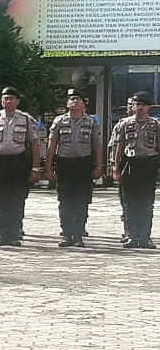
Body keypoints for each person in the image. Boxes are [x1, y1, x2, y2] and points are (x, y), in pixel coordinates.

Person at [0, 87, 41, 246]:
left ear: (17, 101)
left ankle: (14, 232)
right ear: (1, 101)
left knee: (17, 198)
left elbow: (35, 144)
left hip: (18, 163)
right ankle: (2, 233)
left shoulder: (26, 119)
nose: (8, 101)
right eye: (5, 98)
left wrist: (36, 168)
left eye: (11, 98)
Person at [48, 88, 103, 247]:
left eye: (78, 99)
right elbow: (52, 145)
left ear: (84, 104)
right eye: (71, 99)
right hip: (65, 165)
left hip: (84, 165)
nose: (74, 101)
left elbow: (97, 146)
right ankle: (66, 234)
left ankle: (78, 234)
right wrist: (48, 167)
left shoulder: (91, 122)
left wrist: (99, 166)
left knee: (81, 200)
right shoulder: (59, 121)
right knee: (65, 200)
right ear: (67, 104)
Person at [111, 91, 159, 249]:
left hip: (148, 165)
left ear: (149, 107)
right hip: (130, 164)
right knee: (129, 202)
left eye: (143, 105)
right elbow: (118, 148)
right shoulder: (124, 124)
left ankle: (145, 236)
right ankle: (131, 235)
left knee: (146, 203)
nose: (140, 108)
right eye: (137, 104)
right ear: (133, 107)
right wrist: (116, 169)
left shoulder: (155, 125)